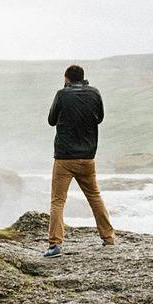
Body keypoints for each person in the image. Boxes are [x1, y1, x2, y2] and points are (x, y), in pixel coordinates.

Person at [44, 64, 115, 257]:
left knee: (58, 201)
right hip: (87, 157)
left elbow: (51, 120)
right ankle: (108, 237)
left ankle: (55, 245)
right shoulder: (94, 93)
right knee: (94, 197)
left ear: (67, 79)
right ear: (83, 78)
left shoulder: (61, 94)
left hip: (64, 158)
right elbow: (99, 118)